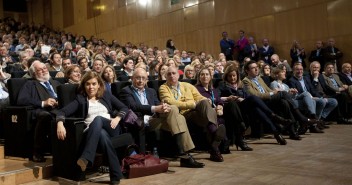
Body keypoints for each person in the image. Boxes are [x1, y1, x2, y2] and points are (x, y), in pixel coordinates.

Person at [120, 68, 204, 168]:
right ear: (132, 78)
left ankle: (184, 154)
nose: (141, 81)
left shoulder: (150, 91)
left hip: (155, 119)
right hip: (141, 122)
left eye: (143, 78)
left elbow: (157, 104)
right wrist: (155, 108)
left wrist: (163, 107)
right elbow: (134, 107)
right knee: (179, 118)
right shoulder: (126, 91)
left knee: (173, 109)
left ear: (147, 79)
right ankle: (186, 154)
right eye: (138, 78)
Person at [56, 71, 128, 185]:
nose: (91, 87)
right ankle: (115, 176)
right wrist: (60, 123)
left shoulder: (106, 95)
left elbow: (124, 107)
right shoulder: (80, 99)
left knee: (99, 119)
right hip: (91, 132)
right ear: (84, 85)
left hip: (111, 127)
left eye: (94, 84)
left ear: (99, 84)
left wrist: (117, 118)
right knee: (102, 135)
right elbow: (62, 111)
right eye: (88, 84)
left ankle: (86, 157)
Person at [159, 66, 226, 162]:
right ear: (165, 76)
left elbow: (199, 97)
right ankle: (215, 143)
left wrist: (206, 100)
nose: (171, 76)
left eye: (174, 73)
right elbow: (171, 102)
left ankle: (214, 135)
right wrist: (192, 104)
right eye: (169, 74)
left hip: (195, 113)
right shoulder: (163, 88)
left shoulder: (187, 85)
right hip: (181, 116)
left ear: (178, 75)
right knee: (202, 108)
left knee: (204, 103)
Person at [218, 65, 291, 144]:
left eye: (234, 76)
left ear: (237, 76)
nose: (232, 78)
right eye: (230, 76)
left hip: (244, 105)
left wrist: (241, 99)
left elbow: (247, 96)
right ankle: (274, 117)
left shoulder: (241, 84)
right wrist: (227, 98)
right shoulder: (222, 84)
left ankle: (276, 132)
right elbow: (217, 97)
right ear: (226, 76)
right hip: (233, 108)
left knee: (256, 108)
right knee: (253, 98)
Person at [195, 67, 249, 151]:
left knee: (232, 104)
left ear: (210, 77)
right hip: (208, 113)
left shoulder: (212, 89)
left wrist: (220, 105)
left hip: (219, 111)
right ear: (199, 77)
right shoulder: (196, 89)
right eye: (202, 74)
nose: (205, 76)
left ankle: (240, 129)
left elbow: (219, 101)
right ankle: (240, 132)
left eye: (207, 74)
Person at [17, 60, 61, 162]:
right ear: (34, 73)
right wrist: (43, 103)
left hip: (58, 109)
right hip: (40, 110)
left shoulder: (56, 83)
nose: (44, 70)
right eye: (40, 70)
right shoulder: (30, 84)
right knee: (45, 115)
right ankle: (37, 151)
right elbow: (21, 100)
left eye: (44, 68)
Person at [287, 63, 336, 132]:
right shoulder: (291, 80)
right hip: (299, 98)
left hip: (309, 98)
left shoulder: (305, 78)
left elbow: (313, 90)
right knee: (306, 93)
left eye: (301, 69)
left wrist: (320, 97)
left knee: (321, 101)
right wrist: (310, 97)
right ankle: (313, 117)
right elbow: (296, 93)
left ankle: (314, 125)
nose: (299, 71)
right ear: (293, 71)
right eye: (297, 69)